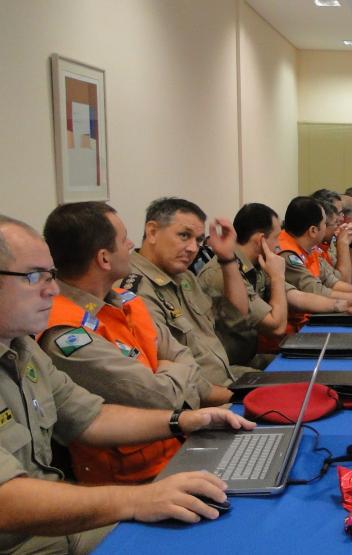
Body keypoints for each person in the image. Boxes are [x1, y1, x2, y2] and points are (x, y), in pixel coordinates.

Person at [0, 215, 254, 554]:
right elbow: (6, 500)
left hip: (53, 527)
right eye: (34, 277)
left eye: (51, 275)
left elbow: (90, 417)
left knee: (224, 526)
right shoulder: (57, 332)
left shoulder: (23, 348)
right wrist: (138, 500)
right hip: (23, 539)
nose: (53, 289)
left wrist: (184, 420)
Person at [38, 202, 233, 484]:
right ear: (104, 259)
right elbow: (161, 398)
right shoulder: (66, 334)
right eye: (124, 239)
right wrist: (169, 370)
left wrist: (168, 372)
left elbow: (183, 355)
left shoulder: (125, 300)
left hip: (181, 446)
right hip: (135, 481)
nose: (131, 244)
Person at [199, 203, 352, 367]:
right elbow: (276, 327)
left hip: (249, 357)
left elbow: (297, 296)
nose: (279, 244)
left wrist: (342, 305)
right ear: (260, 240)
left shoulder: (257, 263)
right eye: (276, 238)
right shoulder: (225, 273)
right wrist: (277, 277)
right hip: (230, 368)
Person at [126, 198, 257, 386]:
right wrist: (231, 395)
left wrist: (227, 258)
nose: (193, 248)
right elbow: (167, 376)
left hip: (228, 376)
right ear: (152, 232)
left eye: (199, 240)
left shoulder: (185, 277)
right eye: (184, 236)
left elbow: (236, 316)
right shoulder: (134, 290)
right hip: (202, 396)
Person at [278, 196, 352, 302]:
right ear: (313, 231)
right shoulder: (287, 254)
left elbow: (332, 282)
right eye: (324, 223)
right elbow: (316, 291)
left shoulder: (310, 247)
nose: (341, 220)